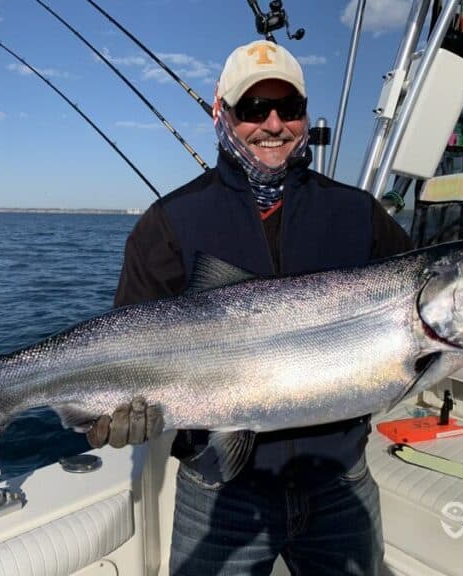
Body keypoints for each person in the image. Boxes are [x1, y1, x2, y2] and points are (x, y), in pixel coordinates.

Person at [87, 39, 412, 575]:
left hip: (338, 481)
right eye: (254, 109)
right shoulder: (170, 223)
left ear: (306, 116)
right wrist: (118, 412)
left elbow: (421, 300)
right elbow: (128, 344)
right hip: (220, 492)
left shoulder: (359, 214)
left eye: (290, 108)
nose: (274, 123)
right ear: (223, 114)